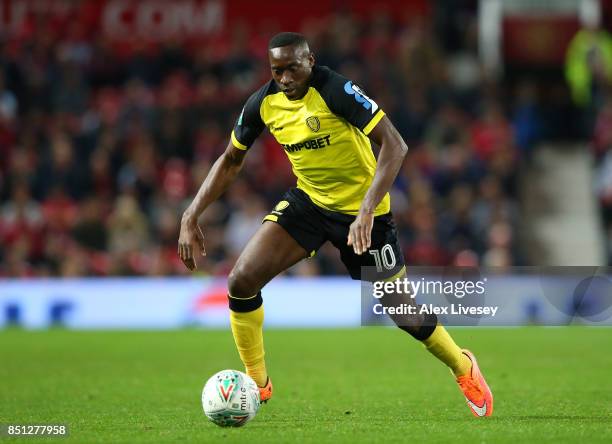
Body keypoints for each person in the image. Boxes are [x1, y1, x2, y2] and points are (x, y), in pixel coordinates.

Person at [178, 32, 493, 417]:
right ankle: (257, 385)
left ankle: (463, 366)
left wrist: (365, 210)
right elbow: (230, 159)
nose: (286, 79)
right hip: (309, 203)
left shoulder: (337, 90)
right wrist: (191, 213)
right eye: (277, 71)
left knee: (402, 311)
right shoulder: (263, 103)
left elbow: (395, 145)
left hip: (366, 214)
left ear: (310, 60)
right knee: (240, 281)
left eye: (293, 68)